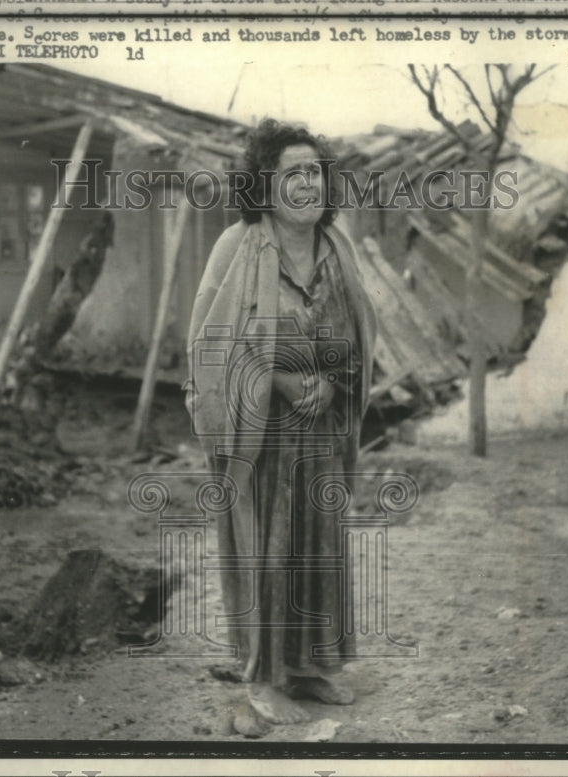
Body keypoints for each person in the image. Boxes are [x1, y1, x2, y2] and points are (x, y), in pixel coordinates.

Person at [185, 119, 377, 724]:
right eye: (290, 173)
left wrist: (331, 380)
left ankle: (312, 667)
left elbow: (360, 336)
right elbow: (209, 339)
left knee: (320, 548)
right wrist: (284, 380)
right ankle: (263, 678)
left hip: (321, 427)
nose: (305, 184)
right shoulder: (237, 247)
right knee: (265, 552)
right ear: (264, 185)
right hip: (258, 430)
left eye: (314, 171)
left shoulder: (338, 247)